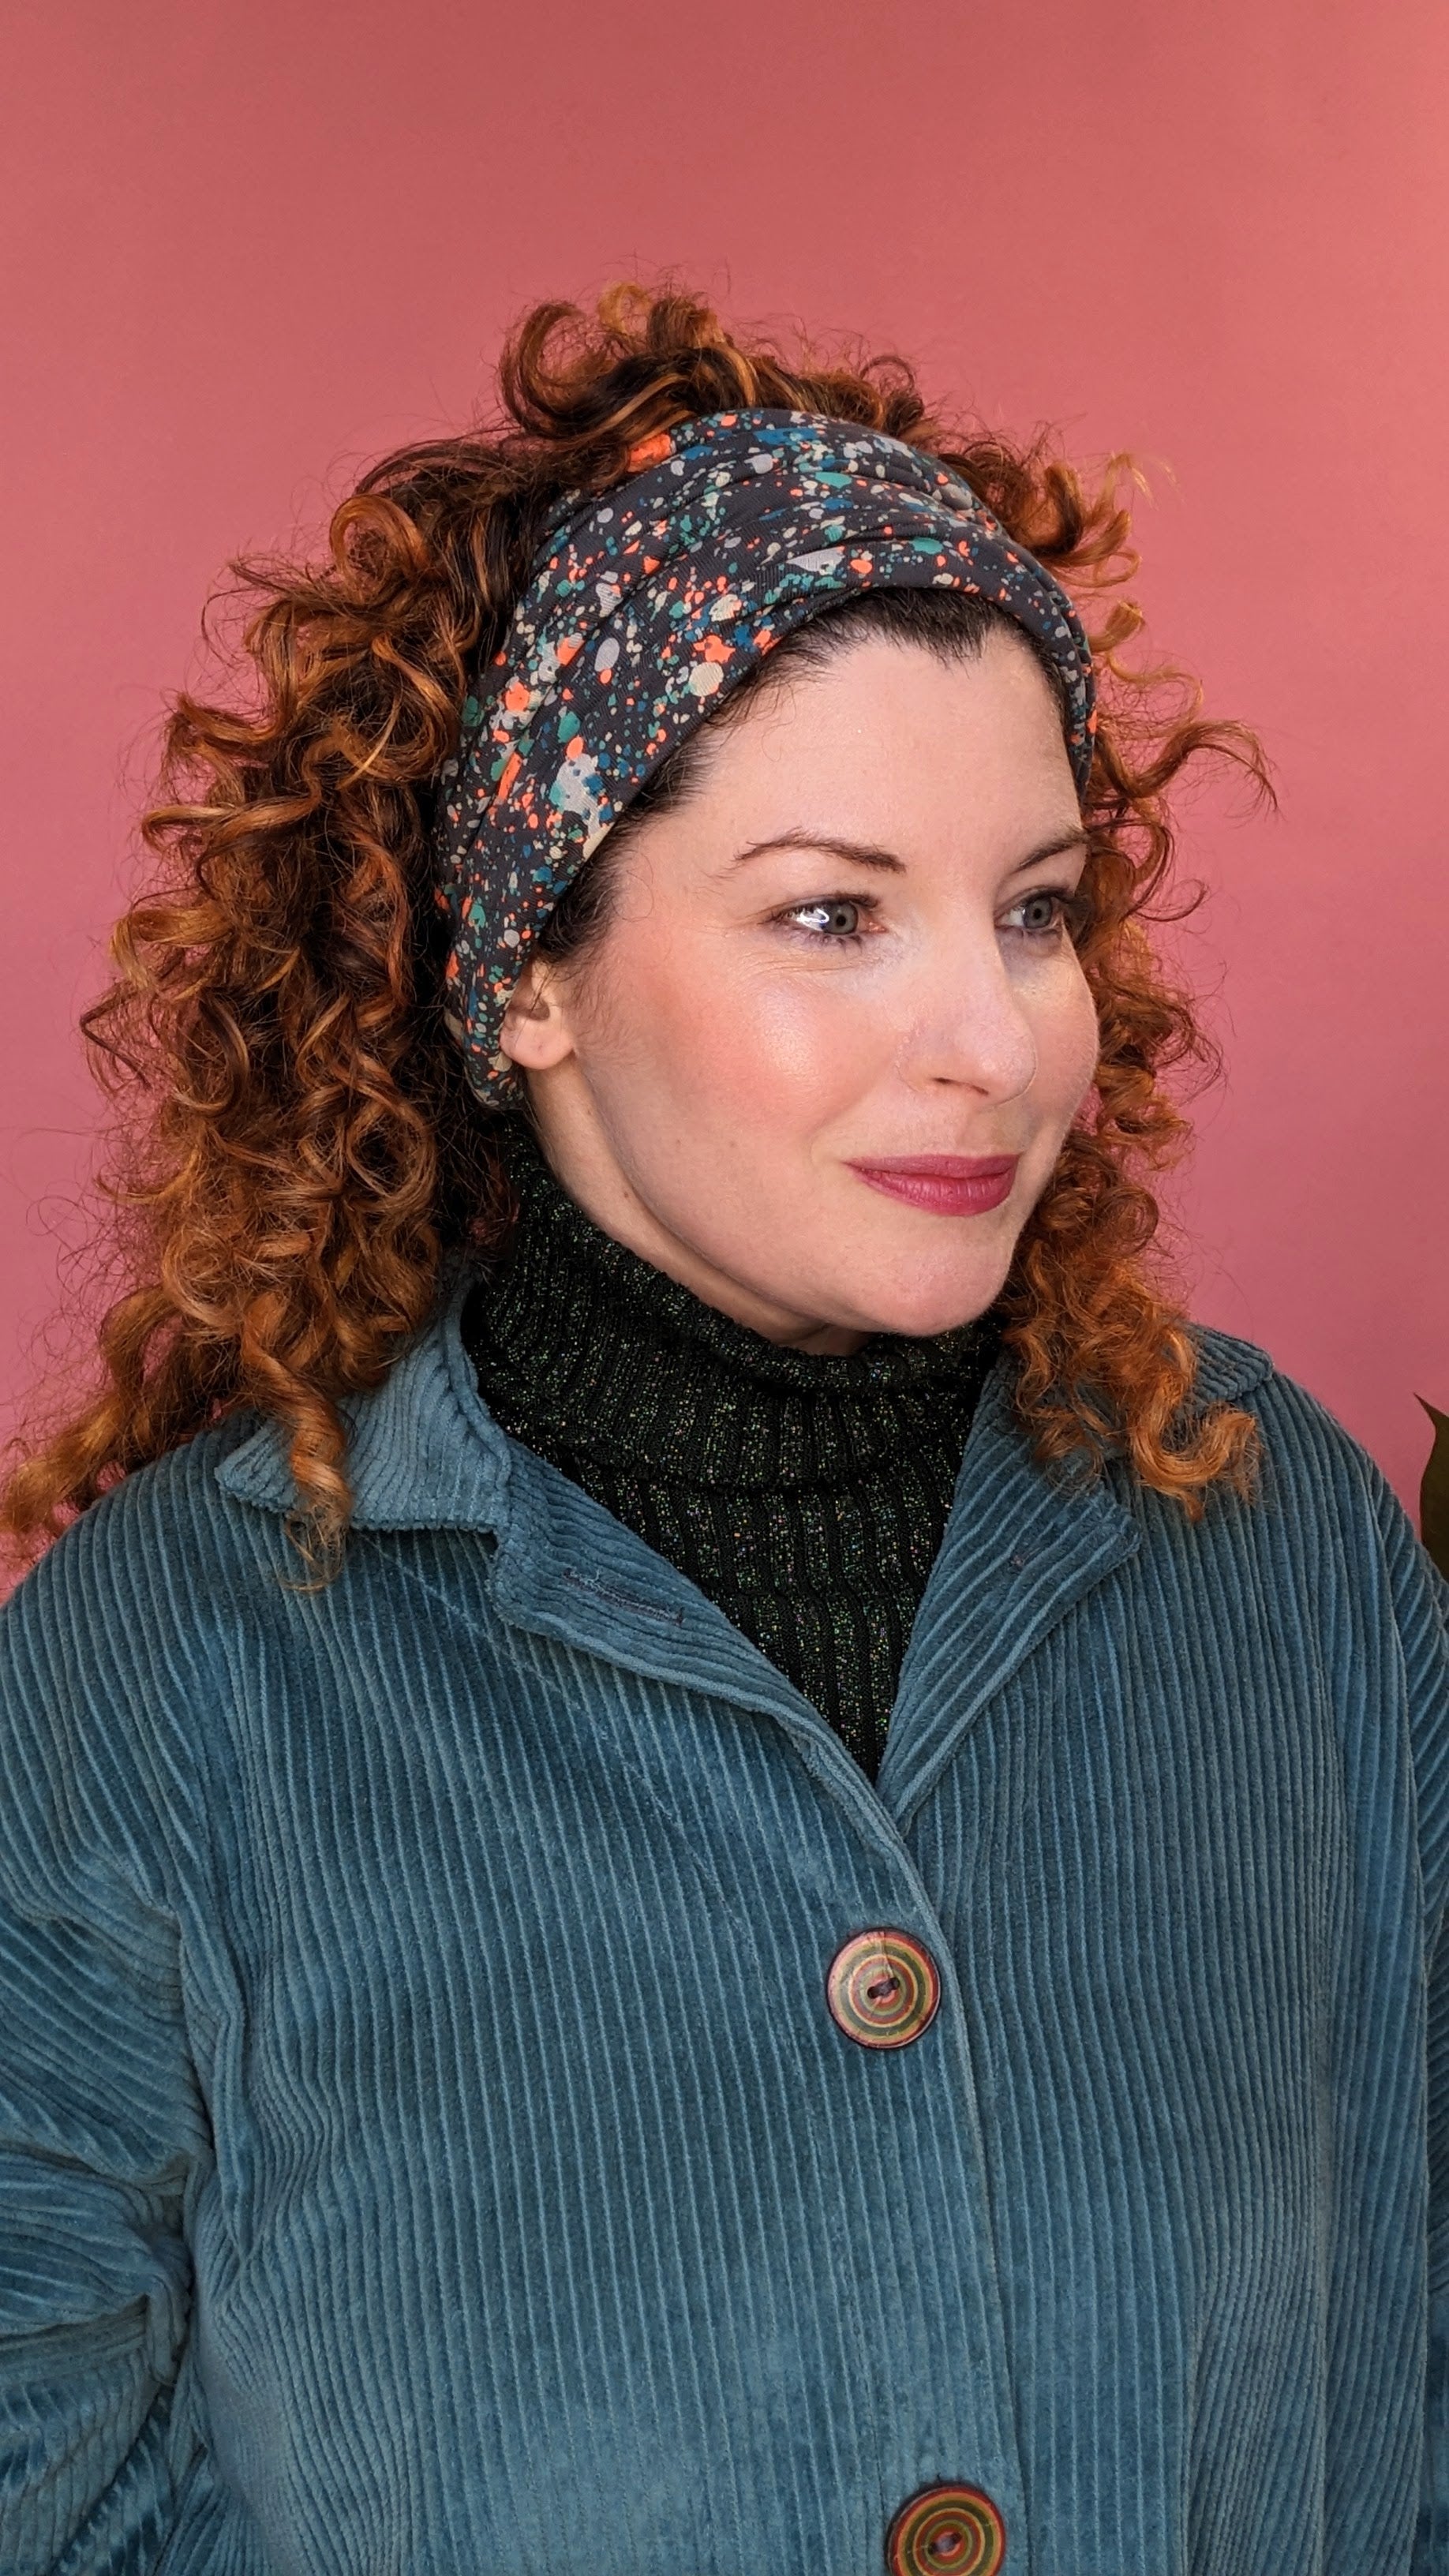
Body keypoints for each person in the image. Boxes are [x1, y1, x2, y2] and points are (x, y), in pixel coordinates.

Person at [1, 285, 1444, 2576]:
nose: (994, 1041)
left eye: (1037, 911)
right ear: (528, 972)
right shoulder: (161, 1672)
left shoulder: (1280, 1543)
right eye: (833, 915)